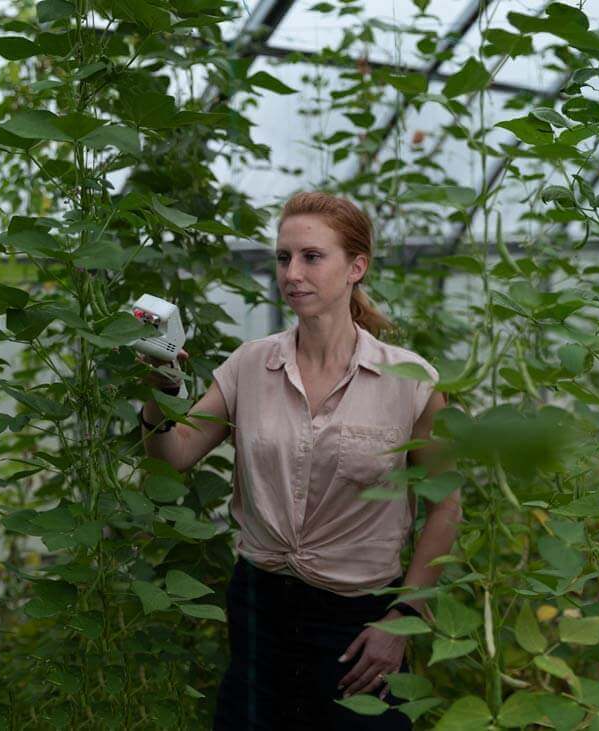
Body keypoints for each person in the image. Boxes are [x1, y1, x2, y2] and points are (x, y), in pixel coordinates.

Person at [137, 191, 464, 730]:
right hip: (260, 607)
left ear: (356, 267)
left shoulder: (411, 382)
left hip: (358, 624)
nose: (292, 273)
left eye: (312, 257)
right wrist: (161, 389)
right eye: (284, 257)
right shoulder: (249, 365)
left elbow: (445, 509)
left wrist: (403, 620)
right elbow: (172, 458)